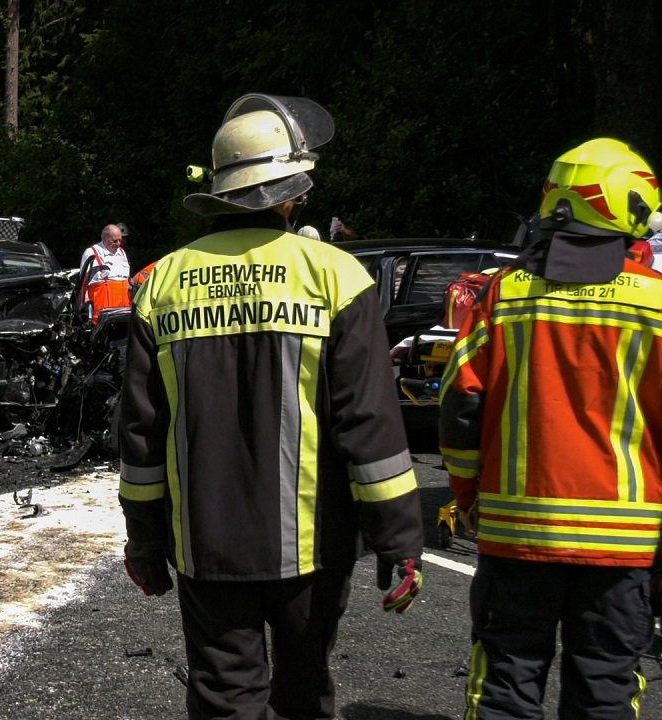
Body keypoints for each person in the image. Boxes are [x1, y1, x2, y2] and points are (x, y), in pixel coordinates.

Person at [118, 93, 424, 719]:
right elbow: (368, 427)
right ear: (290, 192)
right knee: (305, 693)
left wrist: (145, 544)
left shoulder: (160, 286)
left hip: (206, 547)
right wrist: (401, 540)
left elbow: (142, 439)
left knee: (224, 698)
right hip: (313, 548)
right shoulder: (338, 278)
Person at [440, 137, 662, 718]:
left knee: (506, 683)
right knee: (607, 687)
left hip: (517, 530)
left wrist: (468, 499)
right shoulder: (657, 305)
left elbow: (461, 409)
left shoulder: (505, 294)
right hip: (624, 543)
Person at [79, 223, 130, 322]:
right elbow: (83, 281)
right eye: (115, 241)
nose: (119, 243)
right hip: (103, 309)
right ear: (105, 238)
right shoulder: (91, 252)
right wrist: (83, 304)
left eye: (120, 240)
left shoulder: (122, 252)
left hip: (123, 307)